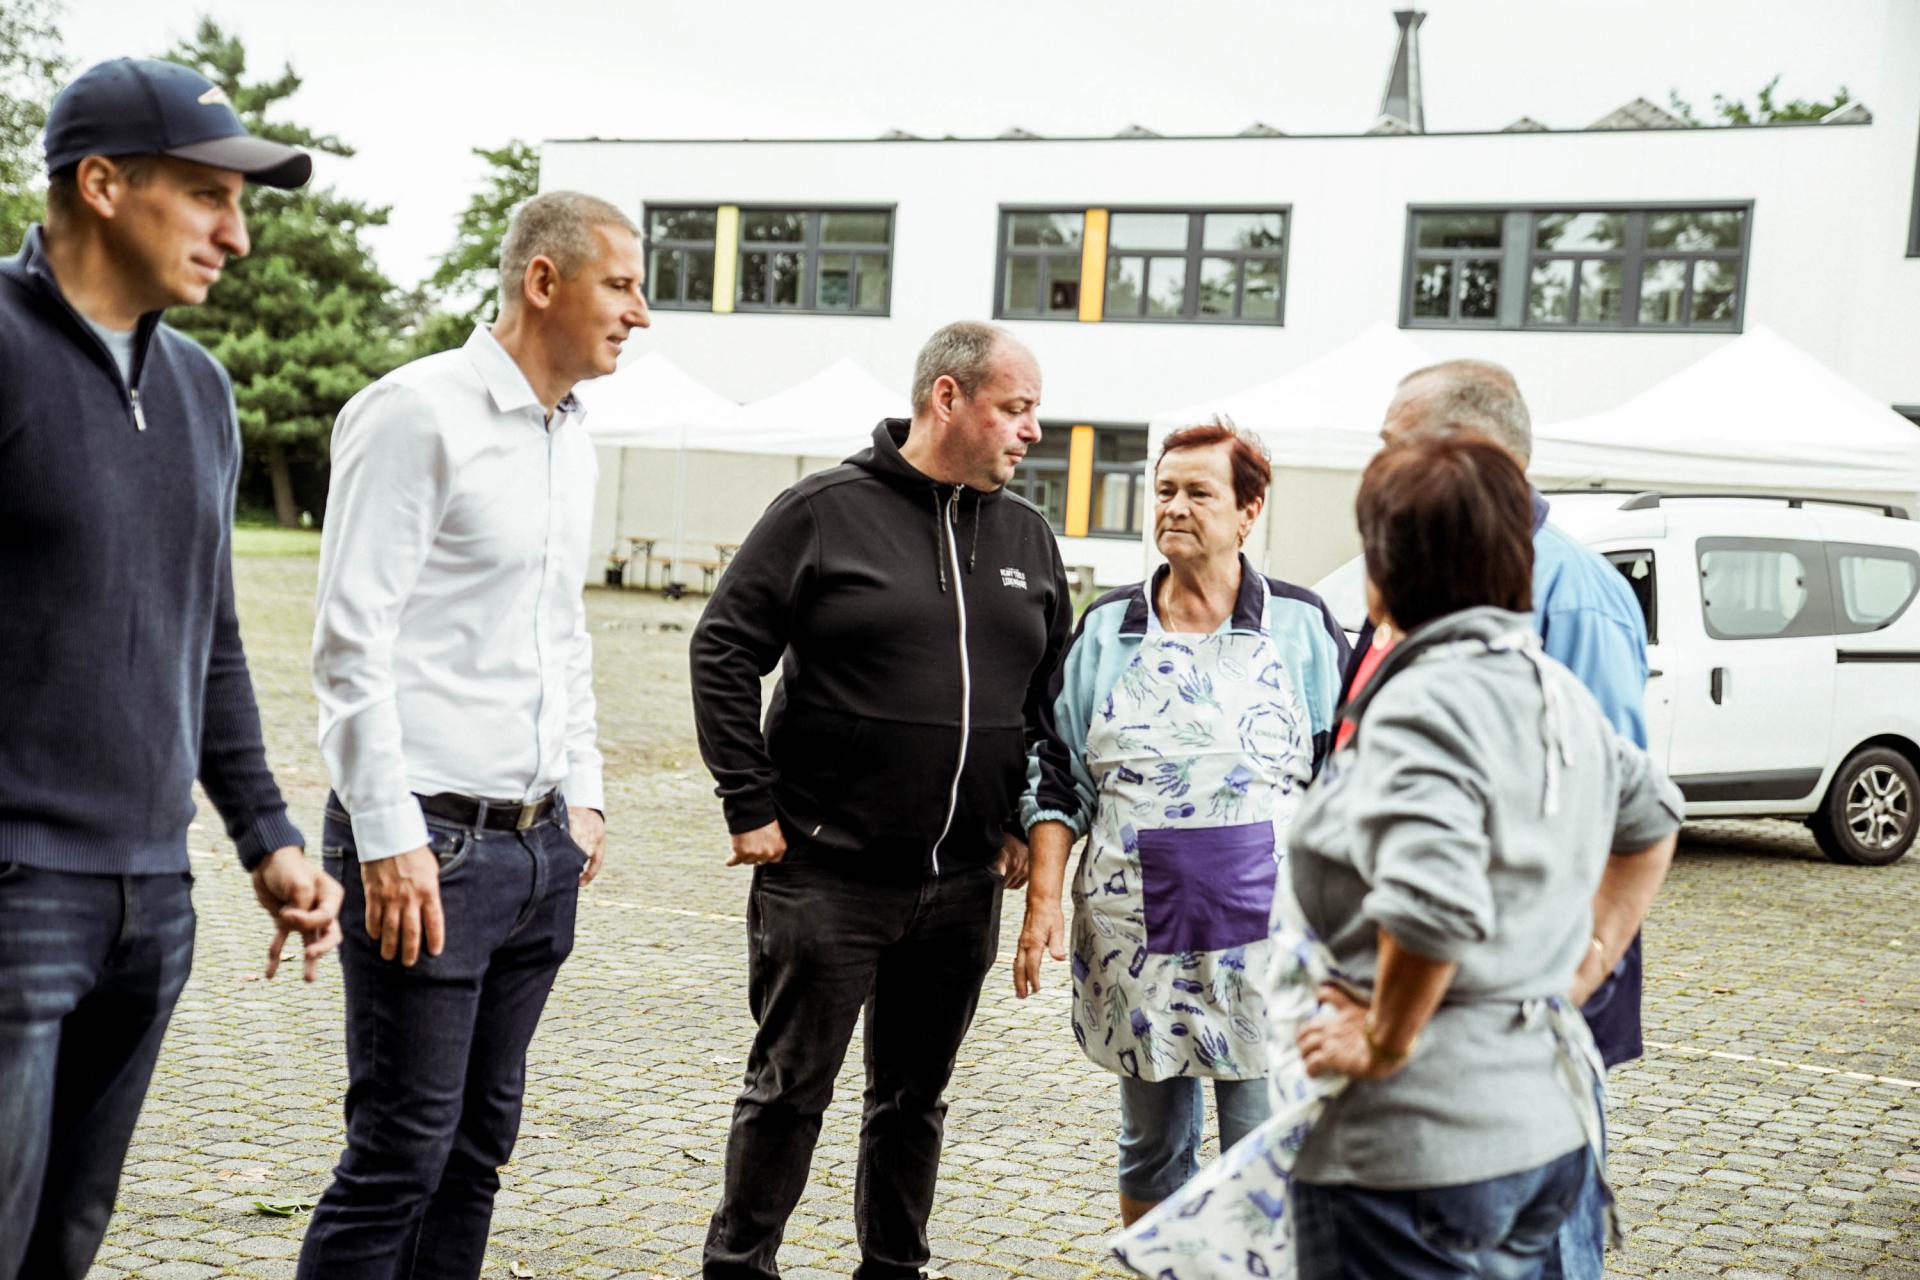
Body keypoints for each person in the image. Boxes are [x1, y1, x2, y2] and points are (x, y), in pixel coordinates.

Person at [0, 58, 341, 1280]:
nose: (236, 236)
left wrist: (267, 834)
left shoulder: (201, 389)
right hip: (18, 890)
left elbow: (214, 634)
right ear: (102, 185)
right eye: (207, 195)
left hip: (153, 898)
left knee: (64, 1243)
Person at [300, 191, 644, 1276]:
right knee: (398, 1155)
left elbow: (558, 628)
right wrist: (387, 834)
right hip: (427, 847)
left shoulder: (571, 436)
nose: (640, 313)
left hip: (540, 854)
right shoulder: (415, 413)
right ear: (543, 281)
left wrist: (584, 796)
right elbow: (349, 643)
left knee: (476, 1154)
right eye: (621, 285)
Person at [690, 320, 1074, 1280]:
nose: (1033, 431)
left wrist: (1019, 818)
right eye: (1016, 409)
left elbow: (1047, 700)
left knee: (914, 1101)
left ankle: (894, 1273)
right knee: (789, 1093)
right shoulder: (823, 510)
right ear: (947, 398)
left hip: (962, 885)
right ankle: (738, 1269)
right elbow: (724, 648)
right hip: (828, 873)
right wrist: (748, 801)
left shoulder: (1027, 536)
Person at [1286, 432, 1683, 1278]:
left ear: (1383, 567)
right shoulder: (1555, 689)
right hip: (1544, 1130)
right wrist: (1589, 960)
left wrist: (1384, 1041)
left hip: (1418, 1153)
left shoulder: (1423, 704)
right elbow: (1654, 816)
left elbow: (1435, 905)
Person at [1374, 359, 1669, 1279]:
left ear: (1472, 452)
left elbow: (1619, 812)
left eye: (1394, 447)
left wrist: (1583, 965)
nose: (1378, 470)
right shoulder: (1427, 575)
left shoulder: (1570, 591)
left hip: (1526, 1020)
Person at [1013, 421, 1348, 1225]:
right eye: (1164, 490)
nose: (1174, 506)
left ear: (1249, 511)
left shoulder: (1300, 625)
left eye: (1199, 492)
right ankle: (1155, 1266)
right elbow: (1056, 770)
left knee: (1260, 1138)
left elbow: (1347, 777)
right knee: (1151, 1142)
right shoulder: (1108, 629)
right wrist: (1042, 901)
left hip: (1270, 933)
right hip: (1134, 929)